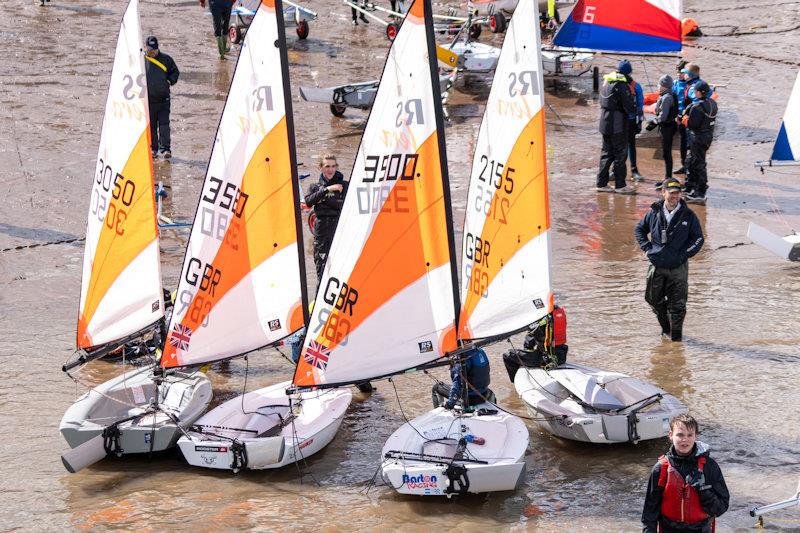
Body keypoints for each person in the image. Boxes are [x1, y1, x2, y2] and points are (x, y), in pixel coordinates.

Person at [634, 179, 704, 341]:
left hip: (678, 267)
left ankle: (676, 341)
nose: (675, 196)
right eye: (671, 193)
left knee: (678, 306)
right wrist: (647, 248)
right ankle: (666, 329)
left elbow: (698, 239)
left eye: (678, 193)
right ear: (663, 192)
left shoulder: (688, 215)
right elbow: (639, 229)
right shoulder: (654, 212)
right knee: (652, 299)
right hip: (656, 264)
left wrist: (684, 254)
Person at [641, 414, 729, 533]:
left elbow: (721, 508)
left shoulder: (709, 466)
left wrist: (703, 490)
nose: (685, 440)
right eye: (680, 435)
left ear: (696, 436)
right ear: (671, 435)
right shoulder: (661, 468)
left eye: (689, 435)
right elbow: (649, 514)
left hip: (701, 529)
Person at [304, 154, 348, 281]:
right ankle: (319, 298)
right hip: (321, 235)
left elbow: (347, 205)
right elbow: (308, 202)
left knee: (341, 270)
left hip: (339, 233)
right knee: (322, 272)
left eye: (333, 166)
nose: (331, 169)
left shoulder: (345, 185)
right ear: (320, 168)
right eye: (327, 166)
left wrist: (323, 201)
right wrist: (327, 189)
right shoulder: (315, 187)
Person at [596, 60, 636, 195]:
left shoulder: (606, 81)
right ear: (628, 72)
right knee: (620, 155)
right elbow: (629, 107)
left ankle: (601, 183)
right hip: (617, 125)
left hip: (604, 122)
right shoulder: (622, 85)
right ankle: (620, 185)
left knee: (606, 154)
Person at [502, 308, 568, 382]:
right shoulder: (558, 312)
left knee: (508, 355)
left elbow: (529, 344)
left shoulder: (539, 319)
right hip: (562, 356)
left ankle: (516, 382)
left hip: (547, 360)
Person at [144, 36, 180, 159]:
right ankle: (153, 149)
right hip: (148, 101)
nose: (152, 52)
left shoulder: (166, 59)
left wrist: (170, 81)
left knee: (164, 126)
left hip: (164, 99)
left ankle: (165, 149)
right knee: (152, 127)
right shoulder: (141, 60)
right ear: (146, 48)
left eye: (154, 50)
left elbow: (175, 72)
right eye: (149, 50)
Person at [683, 82, 717, 203]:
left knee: (698, 164)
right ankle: (692, 187)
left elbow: (692, 125)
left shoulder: (698, 107)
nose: (694, 92)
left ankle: (700, 193)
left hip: (698, 138)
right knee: (693, 161)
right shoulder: (712, 103)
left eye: (695, 91)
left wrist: (684, 119)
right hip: (707, 137)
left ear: (698, 92)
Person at [646, 75, 678, 185]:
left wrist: (653, 123)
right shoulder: (666, 95)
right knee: (666, 152)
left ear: (664, 86)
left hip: (668, 128)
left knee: (666, 153)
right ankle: (667, 176)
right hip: (668, 127)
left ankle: (668, 178)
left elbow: (663, 117)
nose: (657, 86)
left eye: (659, 84)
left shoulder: (666, 98)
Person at [626, 71, 646, 181]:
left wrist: (640, 122)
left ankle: (634, 171)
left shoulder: (636, 87)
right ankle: (616, 170)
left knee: (630, 145)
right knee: (620, 146)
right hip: (621, 121)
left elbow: (640, 105)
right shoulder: (616, 85)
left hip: (630, 120)